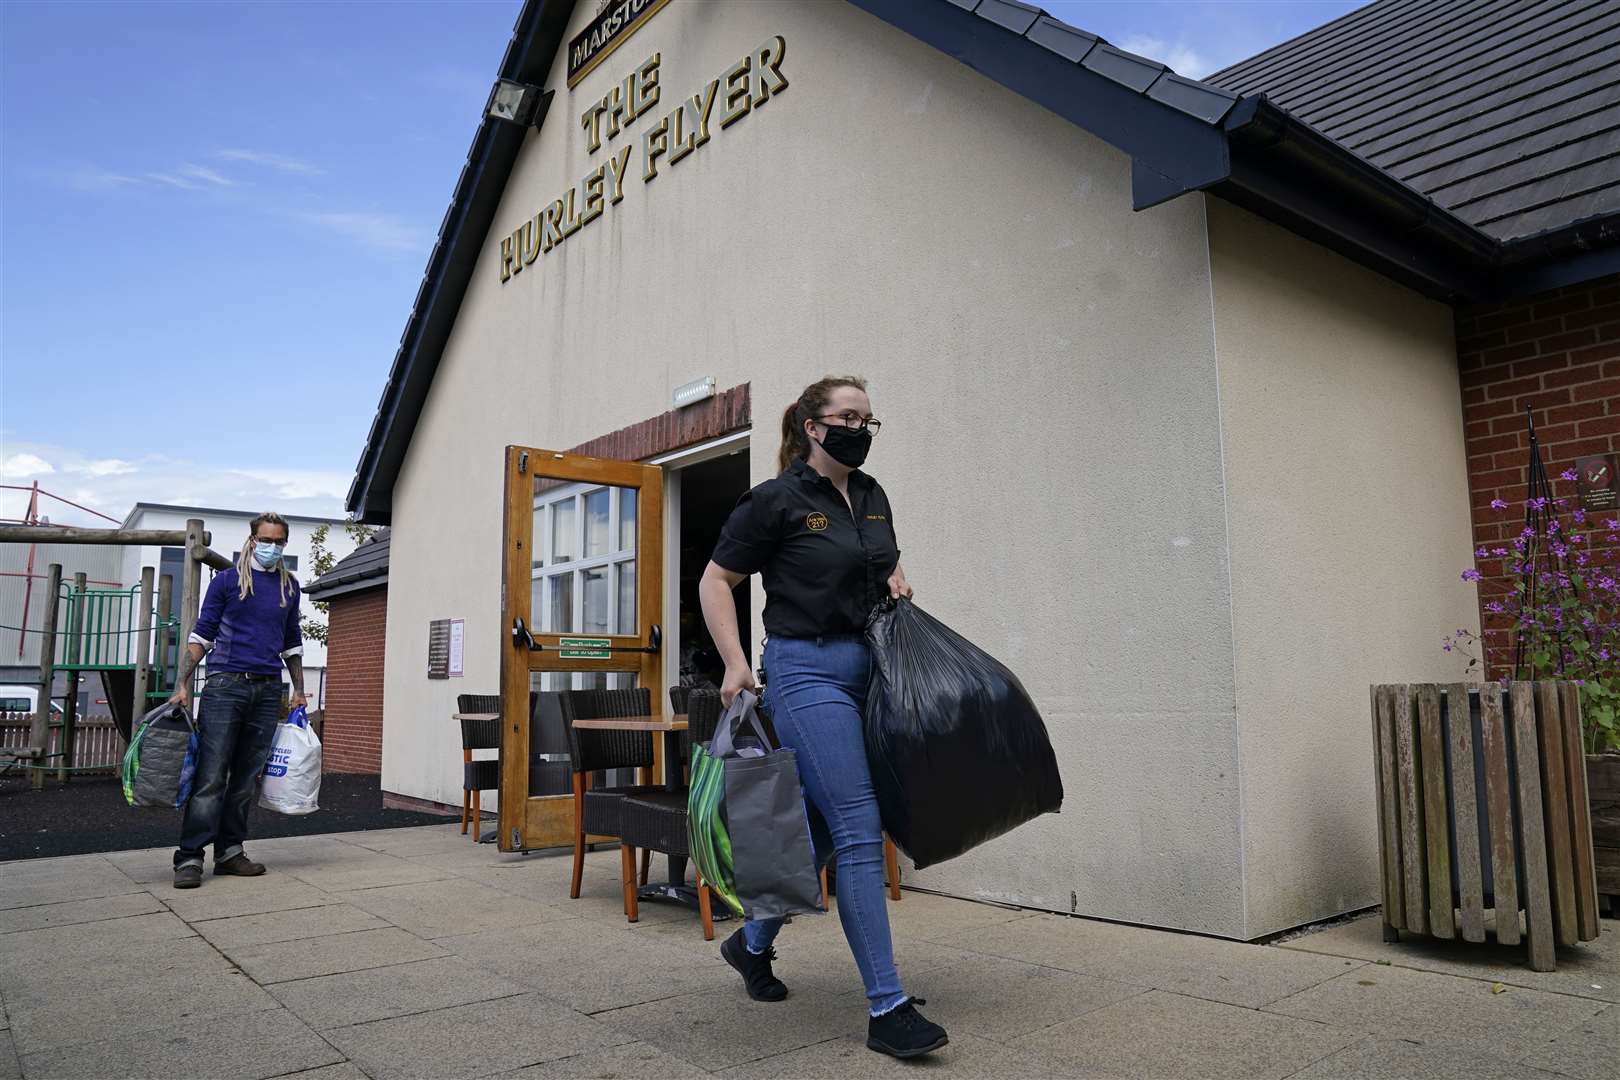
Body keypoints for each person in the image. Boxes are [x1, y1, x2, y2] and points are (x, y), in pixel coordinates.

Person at [698, 376, 948, 1059]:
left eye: (868, 419)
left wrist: (895, 577)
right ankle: (887, 1007)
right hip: (805, 671)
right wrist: (734, 662)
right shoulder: (775, 500)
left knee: (823, 831)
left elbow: (881, 559)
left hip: (871, 669)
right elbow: (715, 580)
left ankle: (750, 945)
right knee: (861, 825)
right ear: (812, 425)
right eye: (847, 417)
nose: (859, 429)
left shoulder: (871, 495)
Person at [168, 512, 307, 889]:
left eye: (279, 542)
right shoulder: (227, 583)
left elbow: (292, 642)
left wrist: (297, 689)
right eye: (267, 540)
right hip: (225, 686)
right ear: (251, 540)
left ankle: (229, 853)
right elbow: (202, 635)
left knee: (246, 778)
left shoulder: (288, 588)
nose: (272, 547)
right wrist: (181, 682)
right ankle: (191, 857)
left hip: (267, 690)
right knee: (211, 775)